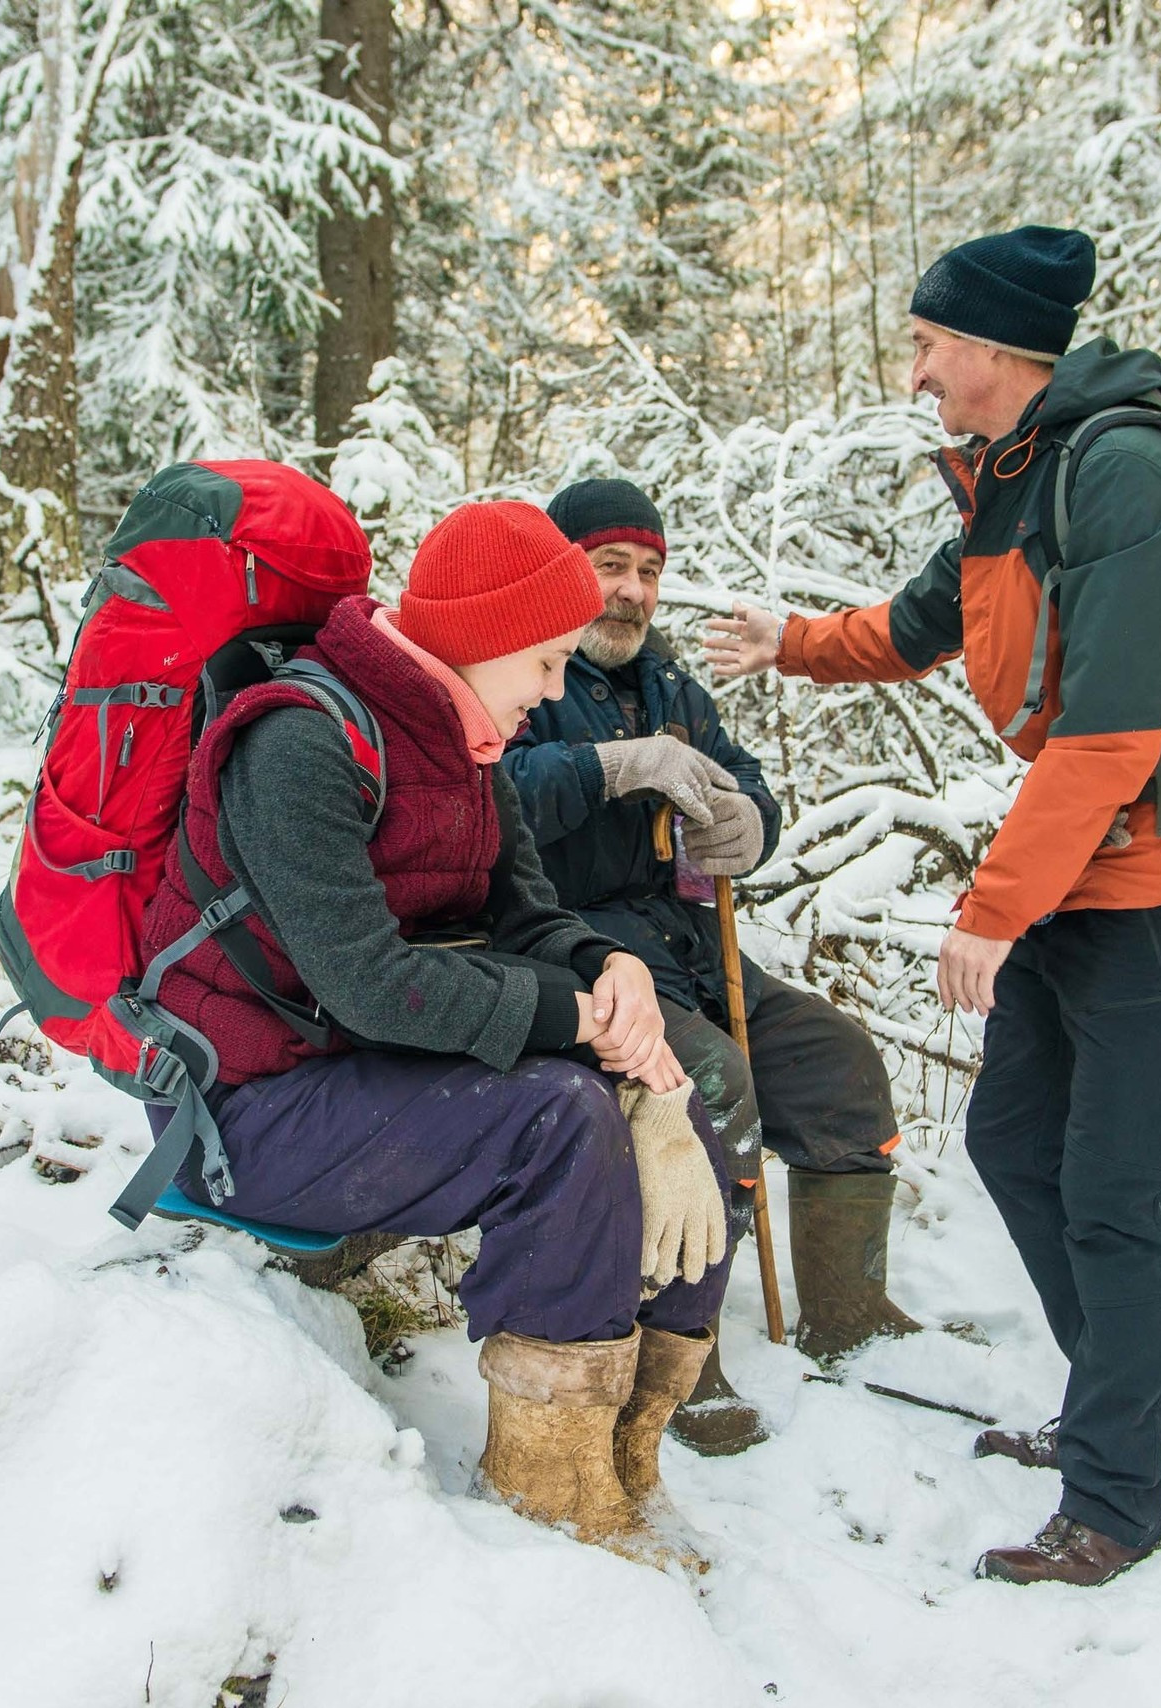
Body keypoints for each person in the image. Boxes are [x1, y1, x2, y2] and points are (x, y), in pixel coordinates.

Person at [702, 226, 1161, 1586]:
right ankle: (1132, 1406)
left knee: (1116, 1195)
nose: (917, 371)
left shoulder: (1119, 472)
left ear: (1002, 349)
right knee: (1016, 1143)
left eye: (931, 343)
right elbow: (920, 621)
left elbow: (1114, 733)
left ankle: (1119, 1497)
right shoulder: (1021, 476)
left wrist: (991, 910)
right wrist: (795, 645)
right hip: (1086, 870)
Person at [139, 499, 740, 1561]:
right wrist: (578, 1027)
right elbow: (368, 983)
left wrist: (613, 971)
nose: (555, 691)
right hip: (251, 1109)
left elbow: (528, 915)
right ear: (483, 636)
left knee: (682, 1086)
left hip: (364, 1073)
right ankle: (549, 1485)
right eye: (547, 662)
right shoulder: (297, 743)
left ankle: (626, 1461)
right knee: (560, 1116)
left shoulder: (468, 741)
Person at [501, 478, 924, 1455]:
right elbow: (486, 796)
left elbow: (744, 785)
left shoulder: (670, 685)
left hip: (686, 945)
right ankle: (679, 1353)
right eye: (610, 566)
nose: (635, 591)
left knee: (841, 1064)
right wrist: (611, 767)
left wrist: (748, 823)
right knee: (707, 1090)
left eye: (649, 570)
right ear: (561, 568)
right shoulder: (523, 668)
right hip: (569, 953)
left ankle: (847, 1314)